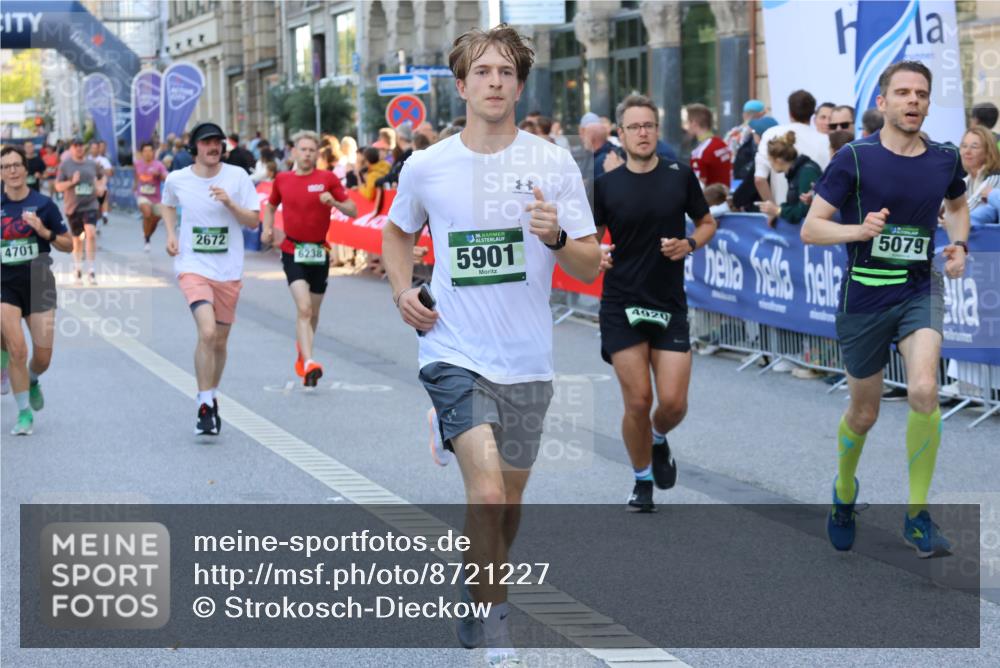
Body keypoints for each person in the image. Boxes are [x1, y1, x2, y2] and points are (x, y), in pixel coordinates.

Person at [381, 24, 600, 666]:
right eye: (482, 72)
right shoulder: (428, 166)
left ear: (519, 83)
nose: (495, 82)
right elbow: (397, 235)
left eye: (505, 72)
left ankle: (479, 581)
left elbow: (589, 267)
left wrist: (558, 237)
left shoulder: (551, 162)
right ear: (461, 85)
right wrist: (402, 292)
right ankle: (496, 626)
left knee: (509, 502)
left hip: (528, 357)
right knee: (487, 495)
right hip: (452, 349)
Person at [802, 60, 970, 558]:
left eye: (921, 93)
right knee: (865, 411)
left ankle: (917, 516)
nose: (913, 100)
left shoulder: (944, 157)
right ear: (883, 102)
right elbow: (812, 228)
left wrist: (959, 245)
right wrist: (859, 231)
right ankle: (845, 491)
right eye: (903, 92)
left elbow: (958, 206)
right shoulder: (855, 157)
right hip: (864, 298)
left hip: (919, 289)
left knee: (923, 389)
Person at [594, 94, 717, 513]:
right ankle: (641, 479)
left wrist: (690, 244)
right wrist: (597, 253)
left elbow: (706, 222)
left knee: (673, 404)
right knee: (639, 401)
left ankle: (659, 439)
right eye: (634, 127)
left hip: (668, 302)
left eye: (649, 126)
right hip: (622, 302)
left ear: (657, 131)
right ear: (621, 134)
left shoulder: (679, 175)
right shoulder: (606, 185)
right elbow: (589, 239)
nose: (642, 133)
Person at [161, 122, 261, 435]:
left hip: (228, 270)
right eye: (206, 142)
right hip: (193, 265)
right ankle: (204, 403)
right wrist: (169, 233)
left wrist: (230, 203)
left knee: (219, 340)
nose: (213, 147)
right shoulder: (178, 178)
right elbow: (166, 203)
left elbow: (254, 221)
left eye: (217, 142)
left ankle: (211, 394)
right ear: (195, 147)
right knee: (206, 332)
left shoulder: (237, 177)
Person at [262, 130, 357, 386]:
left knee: (312, 312)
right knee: (303, 307)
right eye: (303, 150)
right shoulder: (282, 179)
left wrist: (334, 202)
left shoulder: (326, 179)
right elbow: (270, 206)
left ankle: (302, 355)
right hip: (293, 250)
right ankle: (308, 362)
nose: (307, 154)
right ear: (294, 152)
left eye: (312, 151)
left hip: (319, 252)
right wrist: (267, 228)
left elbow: (353, 210)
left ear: (317, 154)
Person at [1, 145, 73, 435]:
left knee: (42, 357)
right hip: (5, 284)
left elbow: (69, 244)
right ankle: (24, 414)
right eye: (6, 166)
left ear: (26, 169)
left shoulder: (44, 204)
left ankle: (31, 380)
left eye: (17, 165)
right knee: (18, 349)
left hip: (39, 281)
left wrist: (44, 232)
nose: (12, 170)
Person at [755, 90, 830, 207]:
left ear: (789, 112)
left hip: (783, 214)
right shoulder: (826, 140)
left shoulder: (771, 134)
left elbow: (759, 179)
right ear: (812, 114)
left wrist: (774, 209)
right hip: (816, 215)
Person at [55, 137, 106, 285]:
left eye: (81, 145)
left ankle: (91, 270)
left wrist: (101, 186)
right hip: (73, 207)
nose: (78, 148)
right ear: (71, 149)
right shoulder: (65, 165)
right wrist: (72, 182)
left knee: (90, 234)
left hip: (90, 205)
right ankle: (78, 268)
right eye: (75, 146)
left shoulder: (92, 164)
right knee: (77, 240)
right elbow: (58, 187)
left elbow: (102, 177)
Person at [756, 131, 822, 226]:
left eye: (770, 160)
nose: (770, 165)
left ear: (778, 161)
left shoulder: (806, 172)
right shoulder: (796, 172)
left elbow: (804, 211)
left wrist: (778, 210)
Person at [133, 141, 170, 251]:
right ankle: (147, 238)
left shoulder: (158, 165)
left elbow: (166, 178)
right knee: (147, 213)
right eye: (145, 151)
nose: (148, 153)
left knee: (156, 219)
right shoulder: (138, 164)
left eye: (150, 151)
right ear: (142, 153)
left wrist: (159, 175)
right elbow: (136, 176)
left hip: (156, 197)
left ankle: (147, 235)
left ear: (153, 152)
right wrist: (135, 186)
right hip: (142, 195)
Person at [685, 103, 732, 187]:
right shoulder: (722, 144)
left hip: (710, 199)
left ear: (694, 123)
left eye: (687, 122)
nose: (686, 126)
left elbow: (698, 187)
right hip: (724, 196)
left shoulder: (699, 153)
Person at [90, 141, 114, 226]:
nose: (94, 150)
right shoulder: (86, 160)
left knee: (102, 200)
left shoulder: (103, 160)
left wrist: (100, 169)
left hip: (101, 184)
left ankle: (104, 215)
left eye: (96, 148)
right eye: (93, 148)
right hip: (89, 186)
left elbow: (110, 172)